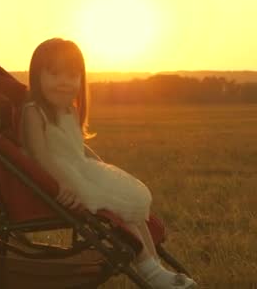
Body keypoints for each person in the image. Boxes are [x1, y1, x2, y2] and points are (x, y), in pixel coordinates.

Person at [20, 38, 197, 289]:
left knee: (132, 208)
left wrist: (101, 167)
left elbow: (77, 148)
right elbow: (41, 156)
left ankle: (154, 266)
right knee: (120, 211)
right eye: (54, 73)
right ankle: (150, 271)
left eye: (71, 75)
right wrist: (61, 185)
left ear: (81, 79)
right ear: (36, 76)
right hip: (60, 180)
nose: (63, 82)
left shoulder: (69, 111)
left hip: (80, 172)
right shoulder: (33, 112)